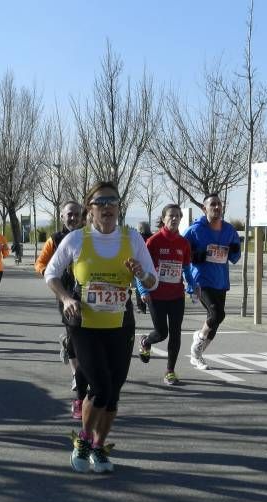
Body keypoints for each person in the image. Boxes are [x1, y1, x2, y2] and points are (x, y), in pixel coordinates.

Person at [45, 182, 157, 473]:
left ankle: (98, 446)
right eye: (100, 202)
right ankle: (82, 439)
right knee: (100, 386)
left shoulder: (131, 238)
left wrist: (142, 274)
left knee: (114, 391)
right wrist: (67, 297)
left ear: (119, 208)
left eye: (113, 202)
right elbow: (50, 273)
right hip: (85, 323)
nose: (107, 207)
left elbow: (153, 281)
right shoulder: (76, 239)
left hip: (120, 324)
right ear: (89, 210)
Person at [35, 200, 87, 418]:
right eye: (69, 215)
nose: (73, 218)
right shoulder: (55, 240)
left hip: (88, 295)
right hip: (65, 295)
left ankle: (71, 347)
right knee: (76, 338)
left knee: (84, 338)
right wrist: (54, 272)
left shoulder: (89, 237)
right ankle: (78, 381)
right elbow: (40, 264)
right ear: (62, 217)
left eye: (77, 214)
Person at [137, 204, 196, 385]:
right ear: (163, 218)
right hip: (156, 296)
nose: (174, 218)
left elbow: (186, 268)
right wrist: (143, 290)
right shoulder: (153, 242)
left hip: (176, 296)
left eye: (178, 216)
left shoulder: (184, 243)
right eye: (171, 215)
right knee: (162, 333)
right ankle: (146, 341)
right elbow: (141, 269)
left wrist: (193, 284)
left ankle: (170, 371)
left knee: (176, 334)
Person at [183, 193, 241, 370]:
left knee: (216, 320)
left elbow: (235, 257)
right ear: (204, 208)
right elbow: (181, 252)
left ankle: (198, 352)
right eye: (212, 205)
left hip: (220, 280)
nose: (216, 207)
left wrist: (234, 249)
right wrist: (194, 256)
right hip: (201, 280)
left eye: (219, 204)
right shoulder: (195, 230)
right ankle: (197, 347)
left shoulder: (229, 230)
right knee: (216, 314)